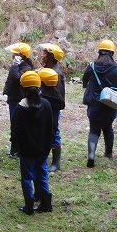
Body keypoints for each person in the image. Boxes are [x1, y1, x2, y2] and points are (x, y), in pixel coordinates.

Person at [10, 71, 54, 215]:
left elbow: (15, 132)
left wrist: (14, 146)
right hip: (43, 149)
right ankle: (46, 203)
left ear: (22, 88)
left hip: (26, 150)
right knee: (42, 174)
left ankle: (29, 206)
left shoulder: (20, 108)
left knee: (27, 177)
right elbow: (52, 127)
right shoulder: (46, 104)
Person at [82, 39, 117, 168]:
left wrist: (88, 85)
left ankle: (91, 155)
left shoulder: (92, 66)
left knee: (94, 130)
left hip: (94, 104)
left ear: (99, 52)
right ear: (112, 53)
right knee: (108, 128)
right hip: (111, 105)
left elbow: (84, 81)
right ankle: (108, 153)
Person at [3, 42, 34, 158]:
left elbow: (16, 78)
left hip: (18, 100)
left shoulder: (25, 67)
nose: (12, 55)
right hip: (13, 98)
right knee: (14, 124)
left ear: (20, 55)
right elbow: (10, 79)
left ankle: (18, 150)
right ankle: (14, 148)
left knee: (18, 125)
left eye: (15, 54)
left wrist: (15, 65)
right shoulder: (18, 65)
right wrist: (6, 91)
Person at [39, 43, 66, 171]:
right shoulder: (47, 70)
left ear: (51, 57)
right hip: (44, 106)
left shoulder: (56, 74)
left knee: (54, 132)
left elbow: (57, 96)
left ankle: (56, 163)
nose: (42, 56)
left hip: (52, 108)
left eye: (45, 54)